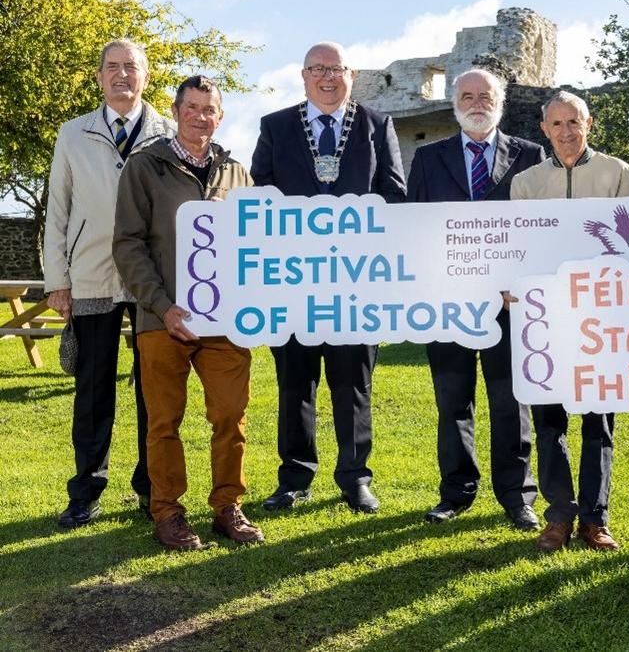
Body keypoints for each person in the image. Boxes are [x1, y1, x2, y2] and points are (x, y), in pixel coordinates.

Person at [251, 42, 406, 515]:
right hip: (293, 281)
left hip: (357, 283)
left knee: (353, 383)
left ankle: (355, 477)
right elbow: (260, 194)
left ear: (351, 75)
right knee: (295, 381)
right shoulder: (276, 126)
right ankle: (295, 476)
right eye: (318, 69)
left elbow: (394, 196)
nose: (327, 77)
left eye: (335, 69)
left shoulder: (377, 125)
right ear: (303, 75)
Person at [113, 75, 262, 550]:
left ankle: (227, 507)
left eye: (209, 109)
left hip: (224, 324)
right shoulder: (145, 166)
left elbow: (254, 245)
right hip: (164, 320)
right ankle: (168, 512)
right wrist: (161, 304)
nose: (200, 116)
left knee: (230, 416)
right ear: (175, 112)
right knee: (163, 422)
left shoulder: (237, 172)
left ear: (220, 116)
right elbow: (128, 244)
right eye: (191, 107)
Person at [44, 39, 176, 528]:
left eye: (132, 67)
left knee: (154, 391)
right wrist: (58, 280)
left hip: (151, 282)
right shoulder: (73, 134)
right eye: (113, 67)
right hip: (91, 277)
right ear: (98, 76)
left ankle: (151, 487)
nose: (122, 75)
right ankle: (86, 491)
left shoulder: (167, 132)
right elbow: (57, 211)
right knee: (94, 390)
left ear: (146, 76)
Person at [406, 68, 546, 531]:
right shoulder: (428, 159)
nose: (476, 102)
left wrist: (521, 284)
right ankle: (456, 492)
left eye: (485, 95)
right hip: (449, 305)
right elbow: (415, 231)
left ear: (500, 101)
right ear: (454, 102)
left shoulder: (530, 155)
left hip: (511, 304)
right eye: (467, 95)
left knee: (511, 400)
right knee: (453, 400)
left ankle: (517, 494)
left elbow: (541, 229)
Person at [510, 91, 629, 551]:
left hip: (600, 317)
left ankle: (595, 519)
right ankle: (559, 516)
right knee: (549, 421)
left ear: (589, 125)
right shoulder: (525, 182)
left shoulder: (617, 173)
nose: (566, 132)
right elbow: (517, 251)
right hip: (544, 320)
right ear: (544, 130)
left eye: (574, 123)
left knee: (598, 422)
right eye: (557, 124)